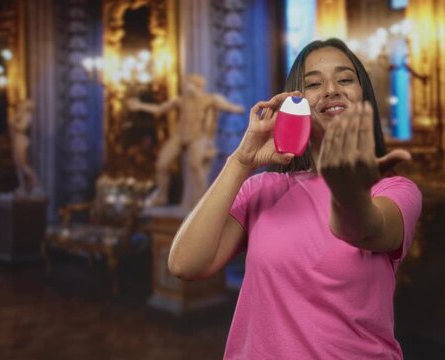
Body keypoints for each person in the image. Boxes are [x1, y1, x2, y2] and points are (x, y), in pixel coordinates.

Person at [168, 38, 422, 359]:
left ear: (364, 96)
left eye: (344, 79)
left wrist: (346, 189)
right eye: (314, 84)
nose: (331, 89)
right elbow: (184, 264)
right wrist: (241, 161)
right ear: (295, 101)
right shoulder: (261, 190)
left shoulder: (395, 190)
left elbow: (364, 229)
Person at [127, 74, 245, 209]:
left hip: (197, 136)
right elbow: (160, 109)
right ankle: (162, 196)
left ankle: (203, 199)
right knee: (161, 164)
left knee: (195, 165)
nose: (187, 87)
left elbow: (229, 106)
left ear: (198, 86)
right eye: (187, 84)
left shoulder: (209, 100)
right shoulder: (180, 100)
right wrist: (140, 105)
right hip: (180, 135)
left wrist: (237, 108)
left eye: (190, 84)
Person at [8, 99, 39, 196]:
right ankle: (23, 186)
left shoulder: (27, 116)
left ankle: (34, 183)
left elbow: (22, 127)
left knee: (23, 164)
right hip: (18, 140)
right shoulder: (21, 115)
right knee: (18, 165)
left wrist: (13, 123)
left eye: (22, 104)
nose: (20, 106)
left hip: (22, 140)